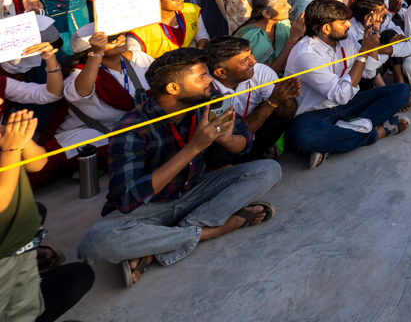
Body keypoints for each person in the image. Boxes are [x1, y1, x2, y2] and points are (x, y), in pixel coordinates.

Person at [76, 48, 282, 287]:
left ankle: (159, 244)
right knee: (94, 243)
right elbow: (126, 198)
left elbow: (243, 142)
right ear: (173, 88)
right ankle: (214, 229)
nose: (210, 81)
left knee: (268, 170)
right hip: (151, 206)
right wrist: (194, 148)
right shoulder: (132, 126)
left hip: (196, 189)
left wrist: (227, 140)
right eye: (202, 76)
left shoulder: (210, 97)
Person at [283, 0, 411, 169]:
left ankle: (337, 139)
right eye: (343, 21)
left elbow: (369, 72)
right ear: (326, 28)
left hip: (349, 104)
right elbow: (340, 94)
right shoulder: (306, 53)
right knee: (302, 136)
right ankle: (375, 132)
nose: (349, 25)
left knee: (401, 91)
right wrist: (362, 53)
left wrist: (371, 46)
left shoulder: (346, 38)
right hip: (315, 113)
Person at [33, 26, 152, 188]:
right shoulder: (77, 74)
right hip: (95, 132)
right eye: (110, 40)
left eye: (119, 34)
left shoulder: (139, 57)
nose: (120, 39)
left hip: (136, 125)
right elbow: (80, 93)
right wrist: (97, 54)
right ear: (90, 50)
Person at [204, 37, 300, 167]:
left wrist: (286, 96)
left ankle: (251, 159)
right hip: (227, 142)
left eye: (250, 55)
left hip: (251, 132)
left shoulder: (260, 72)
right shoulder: (208, 90)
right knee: (219, 149)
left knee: (281, 115)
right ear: (221, 72)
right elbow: (231, 135)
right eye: (245, 60)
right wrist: (272, 101)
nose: (254, 61)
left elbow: (286, 115)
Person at [0, 106, 54, 318]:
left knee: (25, 310)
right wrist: (11, 151)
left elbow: (39, 163)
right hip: (3, 256)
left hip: (21, 243)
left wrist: (23, 140)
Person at [127, 0, 210, 57]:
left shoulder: (191, 11)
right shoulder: (139, 31)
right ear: (157, 1)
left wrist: (200, 52)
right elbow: (134, 62)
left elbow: (202, 36)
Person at [234, 0, 305, 74]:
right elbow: (269, 73)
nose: (289, 6)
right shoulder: (252, 36)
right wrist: (292, 39)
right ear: (267, 13)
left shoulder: (282, 23)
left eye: (287, 2)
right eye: (283, 5)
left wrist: (300, 35)